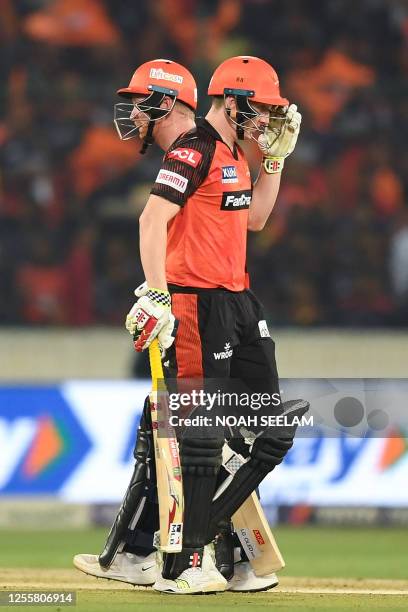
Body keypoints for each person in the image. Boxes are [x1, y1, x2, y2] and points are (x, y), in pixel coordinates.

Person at [74, 55, 306, 595]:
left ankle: (214, 548)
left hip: (239, 301)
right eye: (262, 111)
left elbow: (254, 220)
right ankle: (191, 555)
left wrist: (274, 163)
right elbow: (151, 219)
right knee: (196, 436)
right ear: (233, 102)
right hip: (197, 304)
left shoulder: (232, 155)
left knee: (266, 428)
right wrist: (157, 292)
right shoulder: (194, 148)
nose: (266, 123)